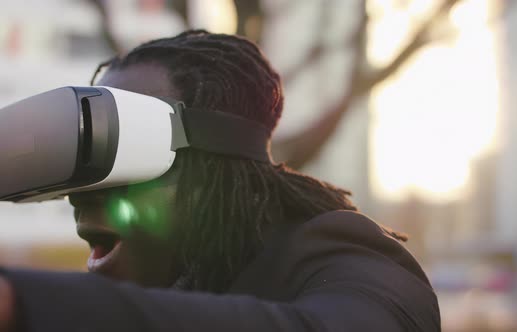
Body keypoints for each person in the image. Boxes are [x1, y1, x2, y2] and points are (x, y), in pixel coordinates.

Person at [0, 30, 440, 331]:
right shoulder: (166, 290)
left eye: (119, 148)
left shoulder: (348, 260)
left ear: (219, 165)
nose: (83, 193)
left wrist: (20, 303)